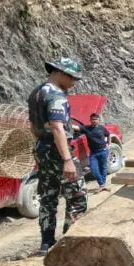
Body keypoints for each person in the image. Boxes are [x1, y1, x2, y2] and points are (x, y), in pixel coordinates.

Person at [27, 58, 88, 255]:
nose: (74, 83)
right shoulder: (56, 95)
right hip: (58, 151)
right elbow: (56, 127)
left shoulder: (36, 92)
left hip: (42, 149)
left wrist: (41, 148)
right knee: (77, 197)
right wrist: (67, 160)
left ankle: (46, 243)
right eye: (73, 78)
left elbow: (34, 126)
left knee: (48, 196)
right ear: (62, 73)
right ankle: (70, 244)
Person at [75, 113, 110, 192]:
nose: (94, 121)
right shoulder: (86, 128)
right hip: (93, 153)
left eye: (95, 119)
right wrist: (63, 123)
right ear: (90, 120)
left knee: (103, 168)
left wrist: (108, 143)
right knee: (94, 170)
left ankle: (102, 185)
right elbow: (76, 127)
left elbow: (108, 135)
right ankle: (102, 184)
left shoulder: (102, 128)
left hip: (103, 151)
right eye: (92, 119)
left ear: (98, 120)